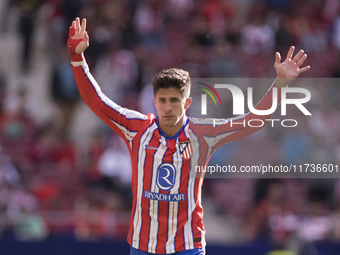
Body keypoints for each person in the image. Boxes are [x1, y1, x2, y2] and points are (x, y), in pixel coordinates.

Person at [67, 17, 310, 255]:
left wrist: (280, 84)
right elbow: (97, 101)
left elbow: (251, 122)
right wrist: (78, 59)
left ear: (188, 103)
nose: (168, 106)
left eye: (175, 100)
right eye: (162, 100)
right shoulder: (137, 129)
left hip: (187, 247)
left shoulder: (203, 134)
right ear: (154, 102)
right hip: (143, 246)